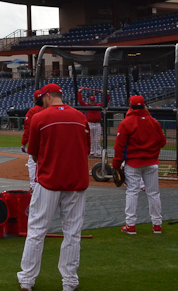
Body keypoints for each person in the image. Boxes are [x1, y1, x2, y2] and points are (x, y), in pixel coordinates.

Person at [17, 83, 90, 291]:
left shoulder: (40, 117)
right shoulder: (80, 117)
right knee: (72, 233)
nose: (42, 103)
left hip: (49, 181)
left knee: (36, 230)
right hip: (76, 181)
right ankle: (70, 281)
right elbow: (86, 149)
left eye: (43, 99)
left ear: (48, 96)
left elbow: (33, 154)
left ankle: (27, 280)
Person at [112, 95, 167, 235]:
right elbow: (162, 142)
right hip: (151, 163)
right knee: (153, 193)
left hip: (133, 163)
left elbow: (119, 147)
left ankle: (130, 225)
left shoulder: (126, 122)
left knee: (132, 192)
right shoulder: (154, 121)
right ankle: (157, 225)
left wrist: (116, 164)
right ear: (144, 105)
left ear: (130, 106)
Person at [21, 86, 49, 192]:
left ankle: (33, 187)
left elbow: (27, 129)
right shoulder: (48, 110)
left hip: (36, 142)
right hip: (48, 142)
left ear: (34, 99)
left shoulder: (32, 111)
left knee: (32, 163)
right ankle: (45, 185)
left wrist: (23, 143)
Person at [77, 91, 109, 157]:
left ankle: (98, 152)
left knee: (97, 139)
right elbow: (80, 101)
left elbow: (106, 102)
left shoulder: (98, 106)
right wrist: (79, 93)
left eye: (93, 101)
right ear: (89, 101)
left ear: (95, 101)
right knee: (90, 139)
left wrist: (108, 95)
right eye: (91, 101)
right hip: (89, 123)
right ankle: (91, 152)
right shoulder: (86, 106)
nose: (92, 102)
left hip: (97, 124)